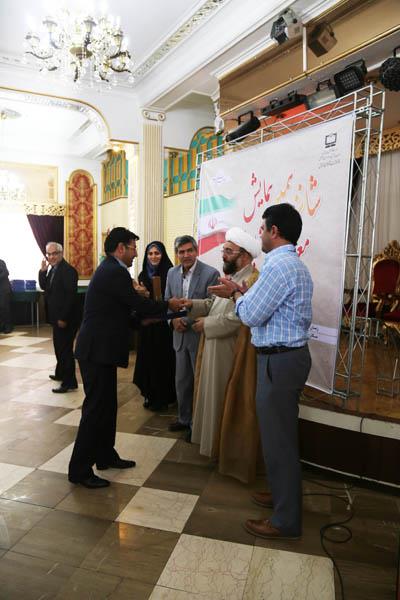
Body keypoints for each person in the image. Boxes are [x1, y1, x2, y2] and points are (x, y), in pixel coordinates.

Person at [210, 203, 313, 540]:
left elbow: (252, 315)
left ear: (275, 231)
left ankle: (285, 521)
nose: (260, 235)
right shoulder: (292, 264)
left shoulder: (278, 267)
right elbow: (265, 308)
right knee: (280, 437)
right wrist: (242, 293)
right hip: (286, 360)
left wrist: (236, 295)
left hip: (279, 362)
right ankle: (283, 496)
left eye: (263, 229)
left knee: (278, 442)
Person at [68, 227, 184, 489]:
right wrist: (167, 304)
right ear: (120, 248)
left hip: (101, 350)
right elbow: (138, 304)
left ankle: (105, 455)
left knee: (107, 406)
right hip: (96, 351)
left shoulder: (112, 269)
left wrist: (143, 320)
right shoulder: (114, 271)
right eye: (133, 248)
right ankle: (79, 470)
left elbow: (119, 312)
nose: (135, 253)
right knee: (95, 410)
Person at [183, 227, 260, 458]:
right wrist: (192, 304)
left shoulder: (252, 281)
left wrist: (206, 325)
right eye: (224, 250)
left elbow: (238, 318)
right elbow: (213, 305)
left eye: (228, 251)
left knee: (221, 399)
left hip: (230, 351)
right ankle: (211, 447)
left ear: (244, 255)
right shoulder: (232, 279)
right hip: (215, 347)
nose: (223, 255)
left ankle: (221, 450)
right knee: (211, 397)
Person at [165, 235, 219, 435]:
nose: (186, 255)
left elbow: (212, 306)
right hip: (179, 337)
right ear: (177, 254)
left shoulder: (211, 273)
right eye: (181, 252)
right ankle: (184, 418)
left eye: (189, 250)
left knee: (199, 383)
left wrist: (185, 320)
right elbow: (167, 301)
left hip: (199, 336)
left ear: (196, 251)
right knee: (182, 381)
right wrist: (172, 321)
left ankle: (197, 425)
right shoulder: (171, 273)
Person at [133, 241, 176, 411]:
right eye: (150, 254)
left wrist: (149, 295)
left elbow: (171, 299)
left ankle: (165, 397)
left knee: (163, 362)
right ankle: (149, 394)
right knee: (147, 361)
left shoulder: (171, 273)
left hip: (164, 326)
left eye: (157, 253)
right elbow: (140, 302)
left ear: (163, 255)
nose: (153, 257)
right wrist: (141, 295)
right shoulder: (143, 275)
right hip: (148, 326)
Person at [38, 243, 79, 393]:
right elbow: (45, 287)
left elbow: (70, 297)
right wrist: (42, 271)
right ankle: (61, 374)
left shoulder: (68, 271)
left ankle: (69, 383)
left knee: (65, 350)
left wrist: (63, 318)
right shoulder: (53, 270)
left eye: (54, 253)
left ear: (61, 253)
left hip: (66, 319)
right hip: (56, 318)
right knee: (59, 347)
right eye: (49, 254)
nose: (51, 257)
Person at [0, 259, 13, 334]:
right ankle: (2, 326)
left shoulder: (1, 262)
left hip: (4, 289)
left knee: (4, 308)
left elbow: (6, 272)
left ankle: (8, 326)